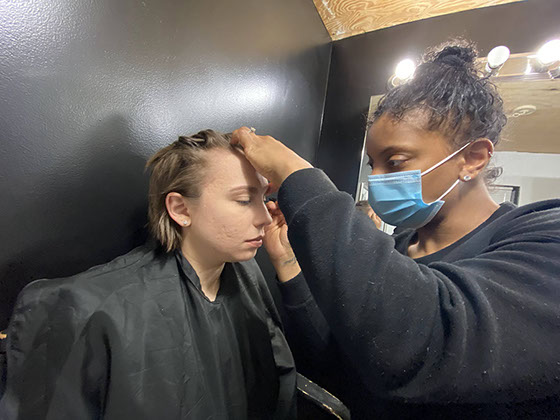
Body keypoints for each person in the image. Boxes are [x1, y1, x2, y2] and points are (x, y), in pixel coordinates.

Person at [232, 41, 560, 418]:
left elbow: (425, 343)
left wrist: (297, 176)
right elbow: (343, 363)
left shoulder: (543, 237)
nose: (377, 180)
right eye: (373, 165)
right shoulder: (394, 250)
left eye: (396, 161)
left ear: (472, 159)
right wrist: (290, 263)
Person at [0, 130, 297, 419]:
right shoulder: (95, 310)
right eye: (244, 200)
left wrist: (287, 263)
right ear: (180, 209)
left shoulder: (246, 275)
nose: (264, 217)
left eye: (263, 198)